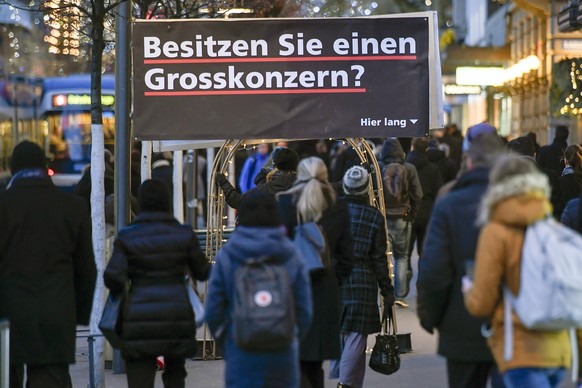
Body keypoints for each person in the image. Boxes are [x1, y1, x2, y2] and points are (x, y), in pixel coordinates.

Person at [463, 155, 574, 387]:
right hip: (559, 352)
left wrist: (468, 290)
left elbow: (482, 302)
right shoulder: (550, 225)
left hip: (521, 351)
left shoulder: (496, 231)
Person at [0, 140, 97, 388]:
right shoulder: (72, 207)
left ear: (13, 168)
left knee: (5, 377)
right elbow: (86, 269)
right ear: (44, 167)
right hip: (56, 316)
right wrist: (77, 315)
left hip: (7, 318)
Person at [417, 132, 505, 388]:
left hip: (460, 323)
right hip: (511, 325)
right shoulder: (519, 203)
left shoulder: (449, 204)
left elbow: (434, 269)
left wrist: (430, 316)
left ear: (468, 163)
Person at [104, 179, 211, 388]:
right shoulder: (184, 234)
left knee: (140, 378)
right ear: (167, 201)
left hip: (138, 318)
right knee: (175, 377)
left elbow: (113, 277)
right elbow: (203, 271)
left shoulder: (128, 236)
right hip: (176, 317)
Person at [205, 191, 313, 388]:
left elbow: (213, 311)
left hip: (241, 353)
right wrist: (291, 337)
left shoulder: (228, 255)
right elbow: (304, 310)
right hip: (282, 354)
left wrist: (229, 343)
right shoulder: (290, 254)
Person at [277, 156, 354, 388]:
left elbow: (277, 249)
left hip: (291, 290)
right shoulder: (338, 205)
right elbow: (347, 255)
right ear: (325, 175)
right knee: (315, 362)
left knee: (294, 359)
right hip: (325, 290)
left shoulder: (284, 203)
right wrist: (334, 278)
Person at [330, 166, 395, 388]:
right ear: (366, 189)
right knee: (357, 335)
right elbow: (379, 258)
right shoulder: (375, 216)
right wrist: (387, 289)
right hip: (363, 279)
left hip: (336, 276)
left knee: (345, 331)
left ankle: (350, 383)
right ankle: (345, 384)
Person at [379, 138, 423, 307]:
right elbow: (418, 195)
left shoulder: (379, 167)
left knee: (382, 257)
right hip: (403, 218)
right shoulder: (409, 168)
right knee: (402, 257)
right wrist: (412, 214)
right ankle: (400, 295)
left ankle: (385, 294)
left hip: (383, 218)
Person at [216, 146, 299, 210]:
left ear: (275, 165)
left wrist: (223, 182)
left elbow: (237, 201)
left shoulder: (266, 188)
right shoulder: (303, 185)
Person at [405, 137, 443, 261]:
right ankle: (421, 277)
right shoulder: (433, 168)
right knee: (424, 250)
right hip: (427, 212)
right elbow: (439, 190)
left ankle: (406, 272)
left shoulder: (405, 168)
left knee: (405, 252)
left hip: (409, 211)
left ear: (412, 147)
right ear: (426, 149)